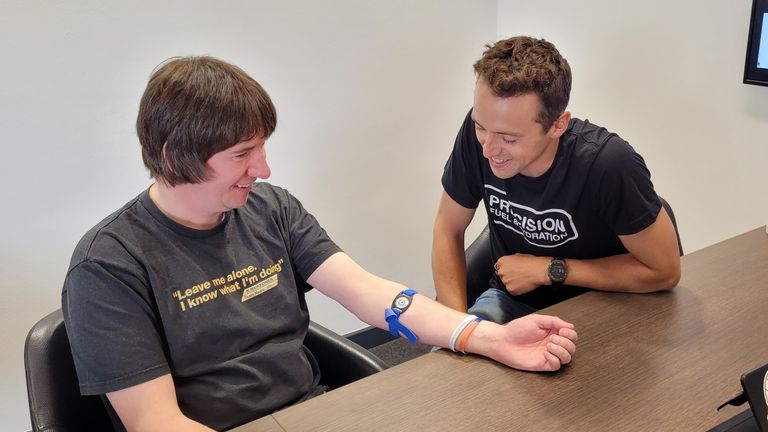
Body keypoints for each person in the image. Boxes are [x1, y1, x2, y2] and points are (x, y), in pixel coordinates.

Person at [61, 56, 578, 432]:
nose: (262, 170)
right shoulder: (108, 265)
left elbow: (370, 294)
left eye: (261, 149)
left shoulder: (270, 209)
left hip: (313, 409)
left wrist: (486, 336)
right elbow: (156, 424)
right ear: (176, 157)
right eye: (242, 155)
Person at [432, 36, 681, 324]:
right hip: (513, 305)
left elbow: (665, 272)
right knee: (451, 365)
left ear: (558, 125)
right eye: (481, 127)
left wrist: (551, 270)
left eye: (509, 138)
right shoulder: (484, 135)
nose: (488, 149)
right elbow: (447, 228)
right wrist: (457, 331)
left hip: (606, 306)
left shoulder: (608, 164)